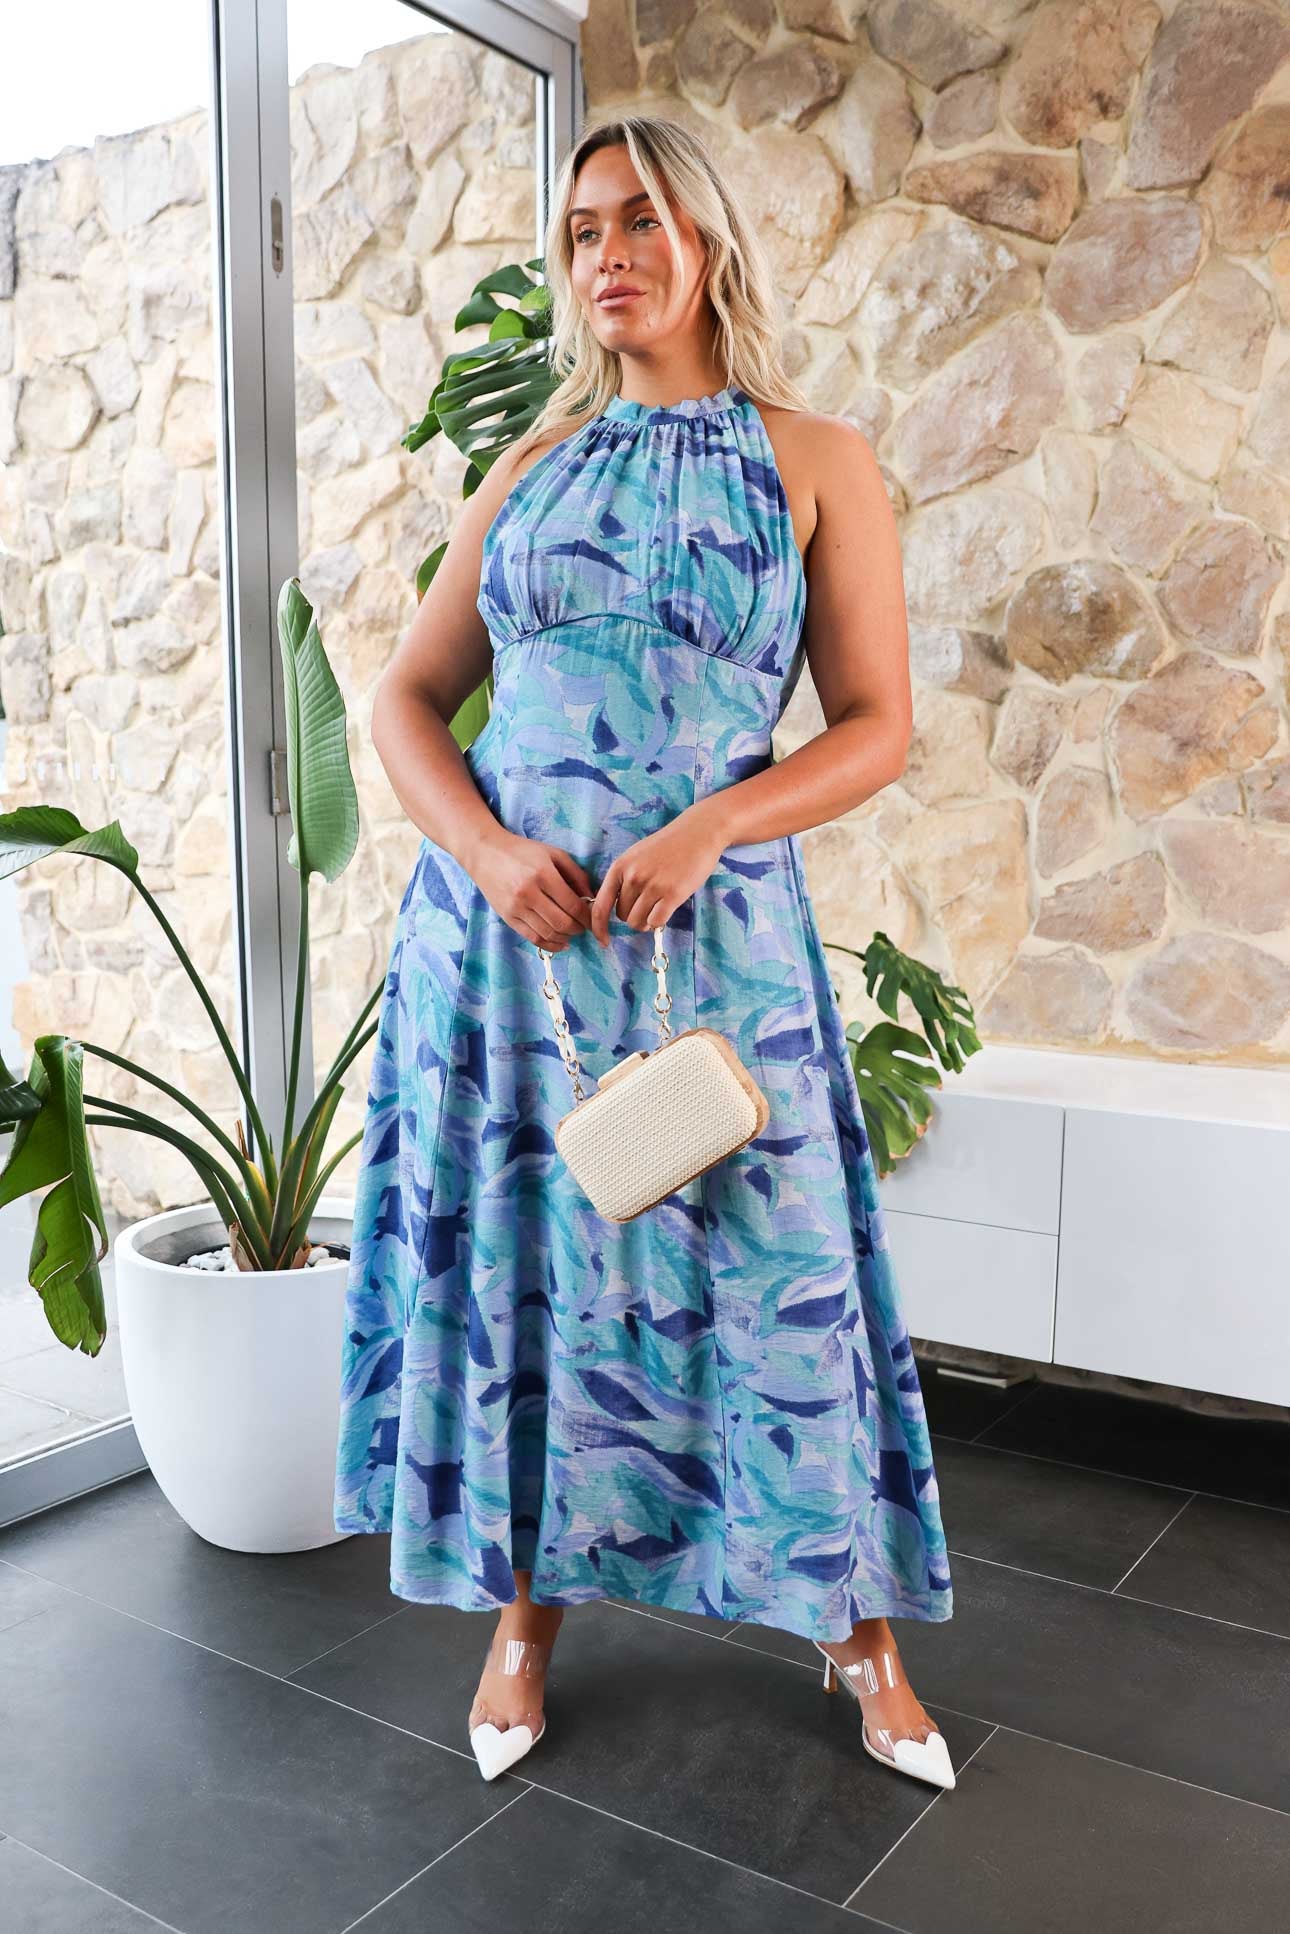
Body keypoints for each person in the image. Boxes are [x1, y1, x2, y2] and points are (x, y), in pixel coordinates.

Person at [333, 113, 955, 1791]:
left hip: (717, 940)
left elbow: (878, 725)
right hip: (511, 956)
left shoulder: (813, 457)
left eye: (638, 222)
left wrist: (713, 826)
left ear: (707, 244)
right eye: (580, 231)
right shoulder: (528, 468)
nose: (604, 255)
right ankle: (522, 1619)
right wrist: (484, 852)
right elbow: (403, 698)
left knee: (778, 1281)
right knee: (539, 1278)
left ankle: (855, 1629)